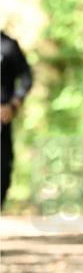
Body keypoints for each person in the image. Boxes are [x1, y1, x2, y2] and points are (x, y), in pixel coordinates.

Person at [1, 30, 33, 208]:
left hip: (2, 116)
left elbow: (26, 77)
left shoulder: (8, 45)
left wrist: (13, 105)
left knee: (3, 166)